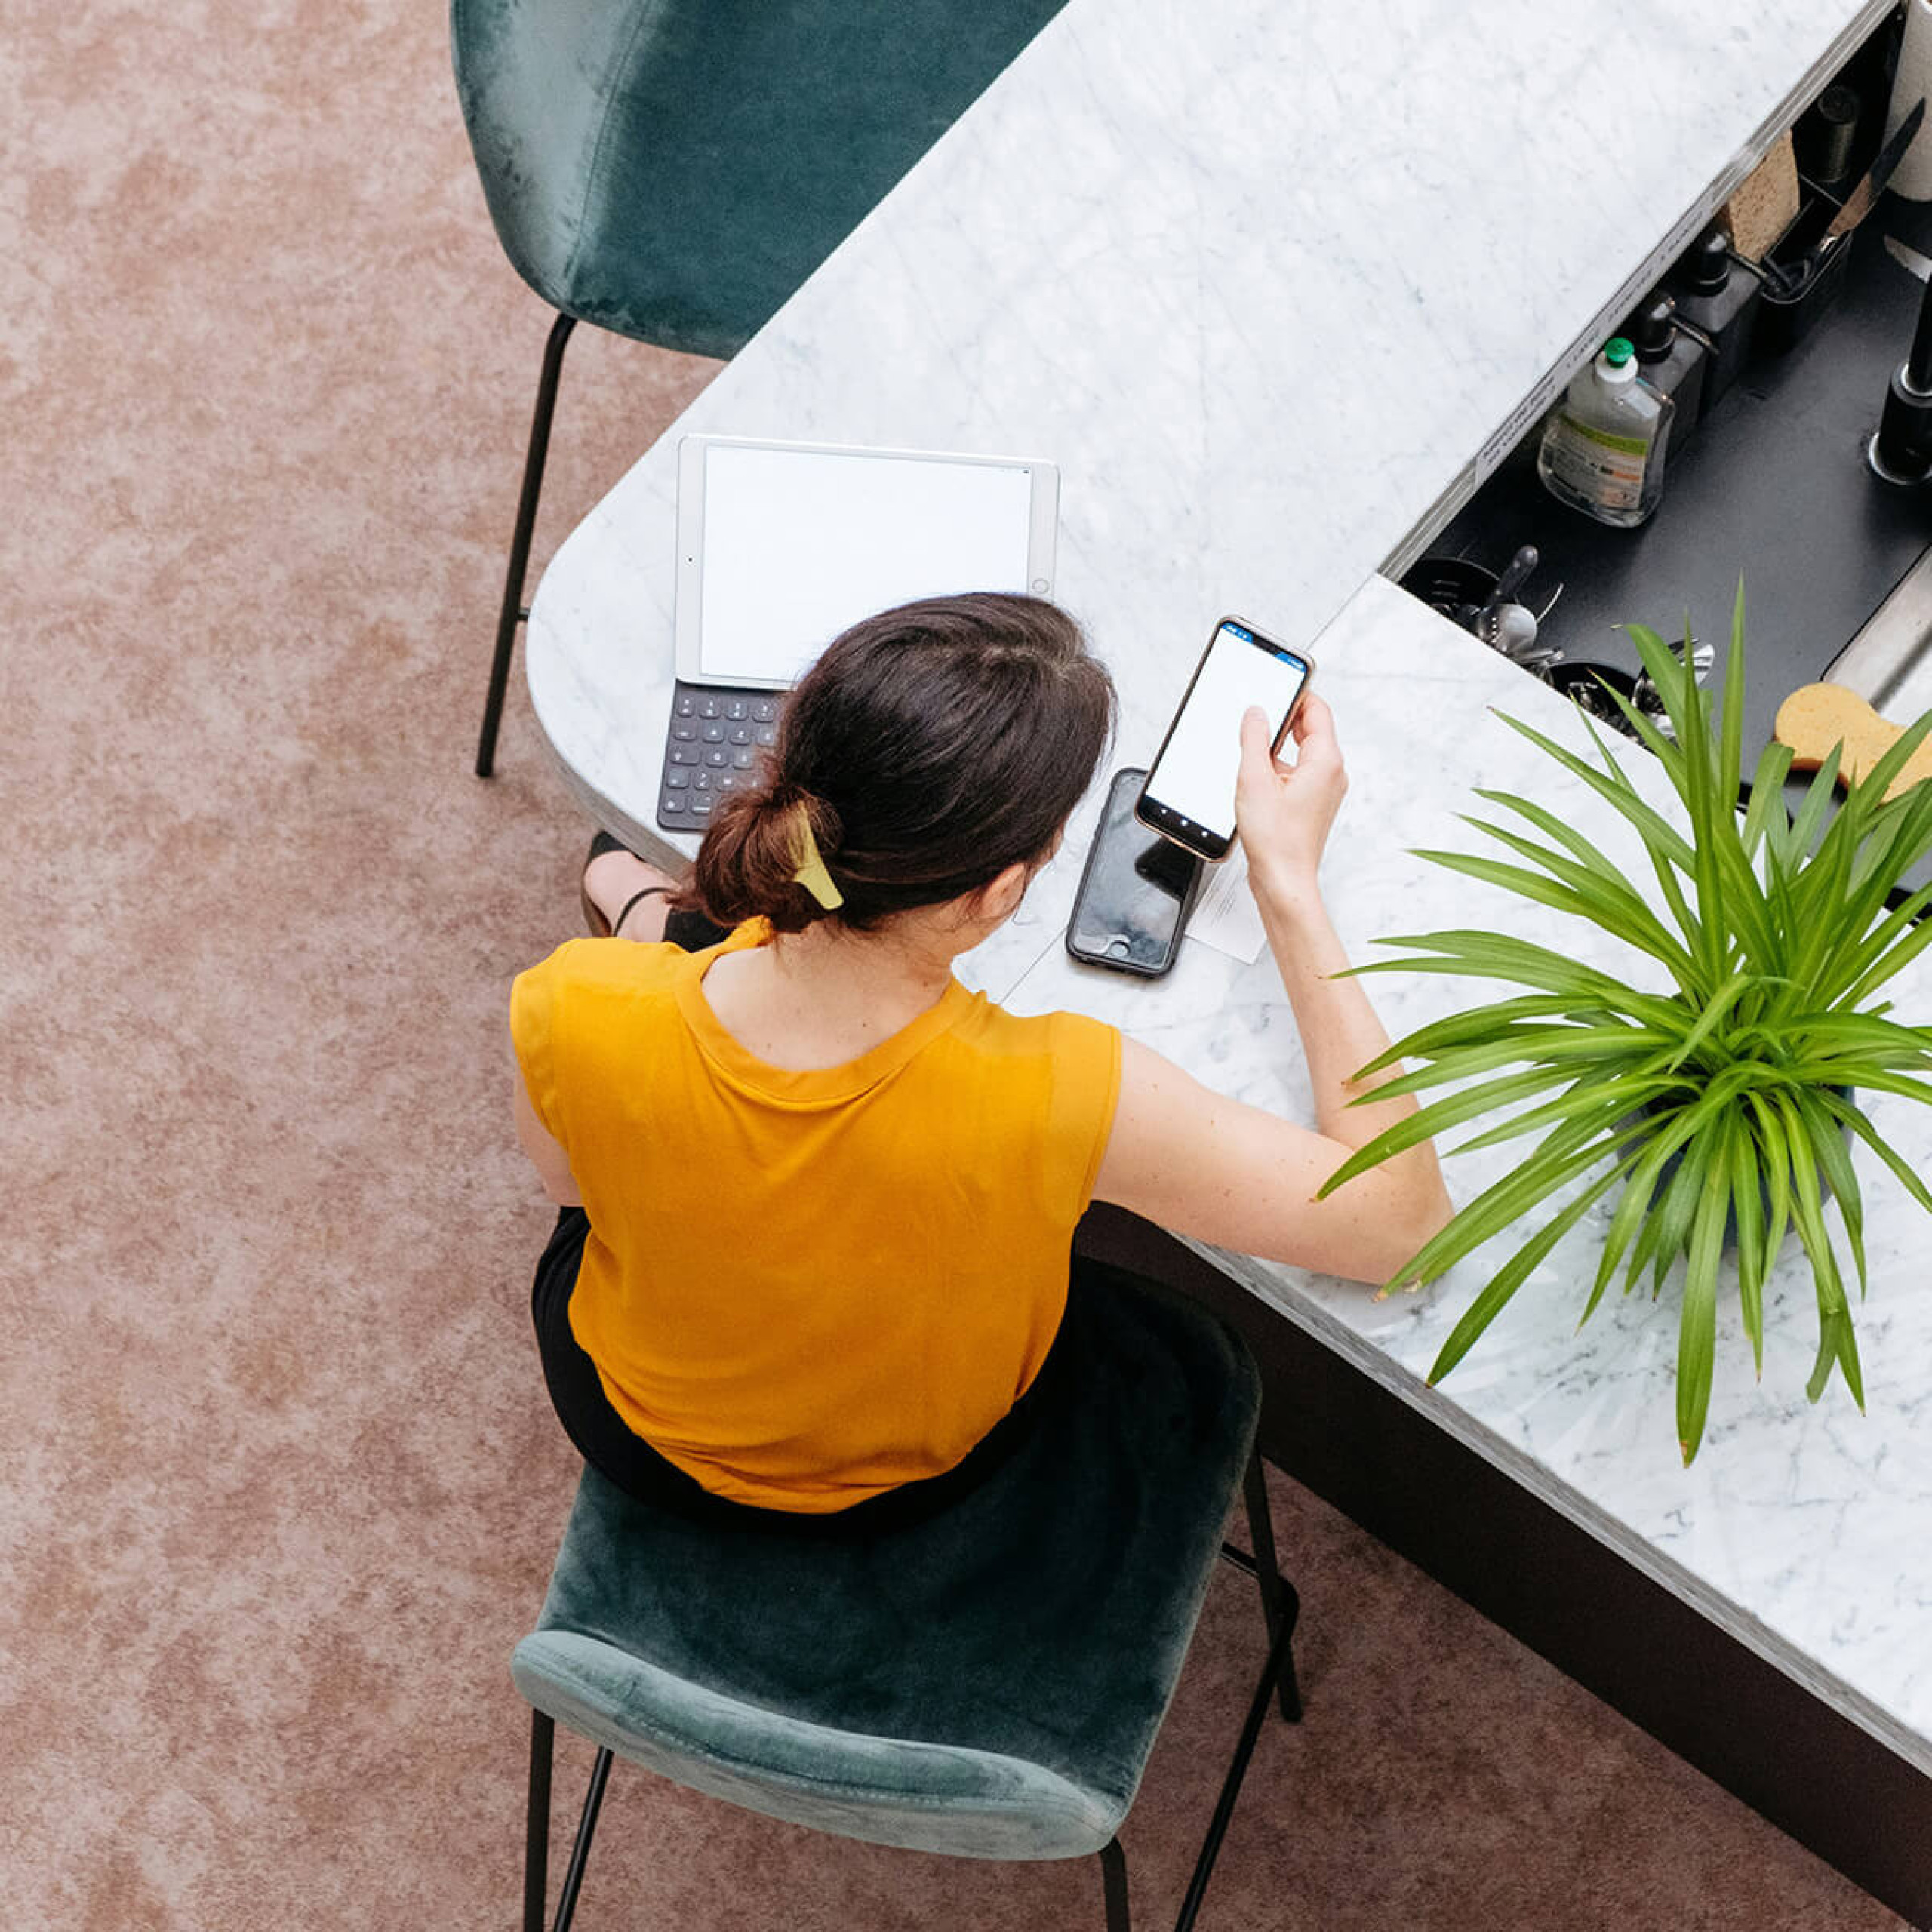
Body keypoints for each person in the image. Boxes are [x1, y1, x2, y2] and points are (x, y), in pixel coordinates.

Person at [510, 594, 1449, 1533]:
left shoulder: (569, 1002)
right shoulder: (1061, 1093)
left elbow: (576, 1193)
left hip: (628, 1426)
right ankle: (647, 906)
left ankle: (632, 902)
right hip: (911, 1475)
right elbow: (1402, 1231)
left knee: (683, 945)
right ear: (1000, 889)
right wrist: (1287, 881)